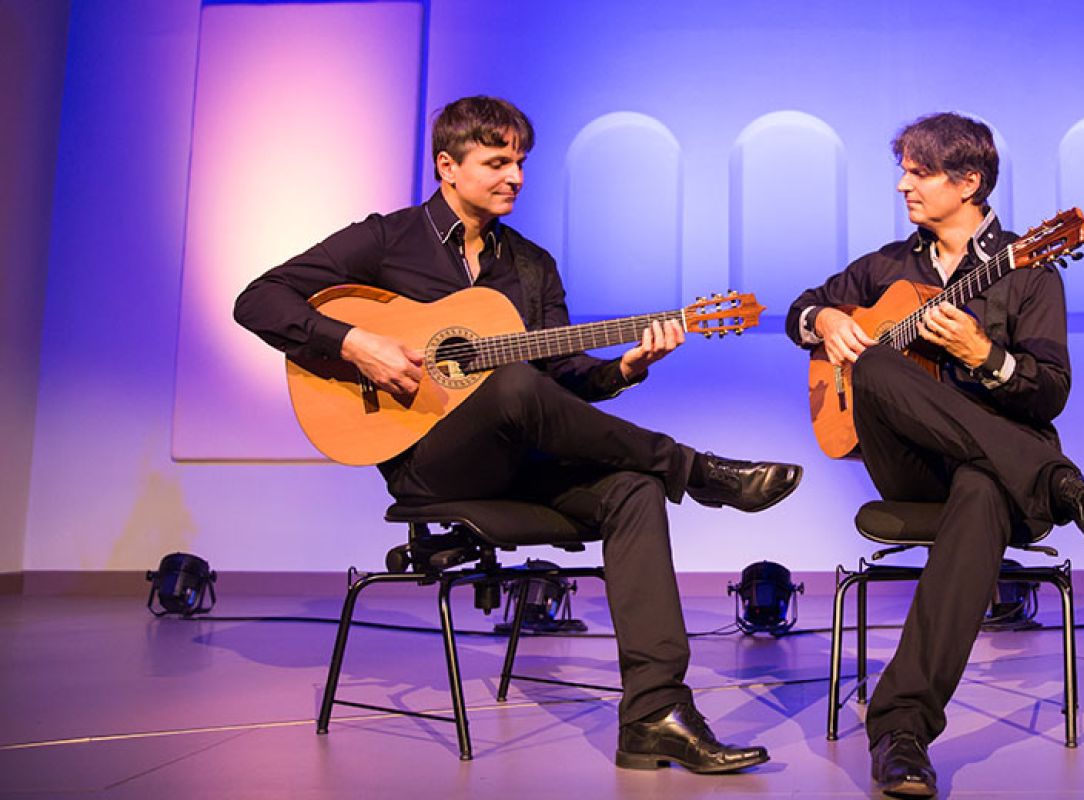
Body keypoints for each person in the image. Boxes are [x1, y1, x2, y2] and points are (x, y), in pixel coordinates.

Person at [235, 95, 801, 774]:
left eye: (521, 162)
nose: (516, 176)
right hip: (429, 464)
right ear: (447, 165)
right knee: (508, 382)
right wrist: (357, 343)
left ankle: (655, 715)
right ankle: (702, 472)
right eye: (496, 161)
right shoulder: (386, 240)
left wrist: (622, 367)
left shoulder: (530, 265)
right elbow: (257, 300)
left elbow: (556, 382)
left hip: (522, 460)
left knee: (631, 488)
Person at [786, 112, 1084, 797]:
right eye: (905, 171)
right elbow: (801, 310)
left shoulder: (1029, 270)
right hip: (910, 466)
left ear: (967, 181)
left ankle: (900, 730)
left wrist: (985, 356)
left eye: (917, 173)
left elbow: (1050, 393)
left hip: (991, 473)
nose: (901, 186)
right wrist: (826, 320)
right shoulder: (883, 266)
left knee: (981, 490)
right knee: (880, 367)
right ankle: (1065, 488)